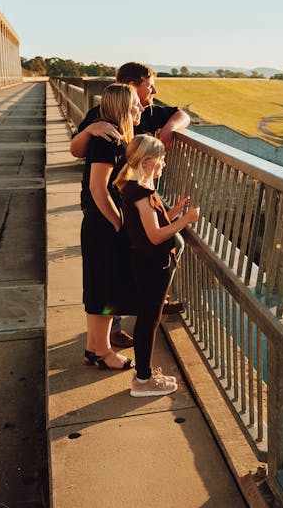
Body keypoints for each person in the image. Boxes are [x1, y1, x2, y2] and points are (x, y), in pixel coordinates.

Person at [71, 62, 191, 348]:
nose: (152, 94)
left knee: (112, 279)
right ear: (130, 88)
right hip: (108, 212)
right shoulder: (105, 131)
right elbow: (96, 184)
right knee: (104, 282)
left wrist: (169, 129)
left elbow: (181, 114)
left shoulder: (138, 117)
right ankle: (104, 344)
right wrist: (118, 223)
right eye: (149, 86)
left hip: (125, 207)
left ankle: (108, 338)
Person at [114, 135, 199, 396]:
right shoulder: (141, 194)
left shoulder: (134, 186)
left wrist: (173, 212)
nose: (164, 162)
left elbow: (153, 222)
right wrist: (186, 219)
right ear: (148, 161)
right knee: (148, 321)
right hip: (153, 265)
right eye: (161, 158)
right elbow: (155, 235)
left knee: (149, 318)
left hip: (148, 263)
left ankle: (145, 374)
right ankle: (143, 381)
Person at [80, 84, 144, 370]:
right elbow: (98, 188)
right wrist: (119, 224)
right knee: (105, 291)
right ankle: (104, 353)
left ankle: (93, 348)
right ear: (122, 108)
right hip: (103, 224)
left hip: (99, 223)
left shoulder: (112, 137)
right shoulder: (108, 141)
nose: (141, 108)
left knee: (98, 289)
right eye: (135, 105)